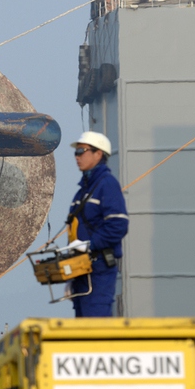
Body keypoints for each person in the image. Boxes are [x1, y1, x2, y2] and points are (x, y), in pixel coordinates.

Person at [67, 131, 129, 317]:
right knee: (82, 329)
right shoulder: (83, 192)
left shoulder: (106, 185)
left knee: (95, 322)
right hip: (81, 269)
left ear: (98, 154)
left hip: (98, 267)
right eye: (76, 152)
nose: (77, 156)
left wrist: (89, 245)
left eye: (81, 151)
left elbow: (118, 225)